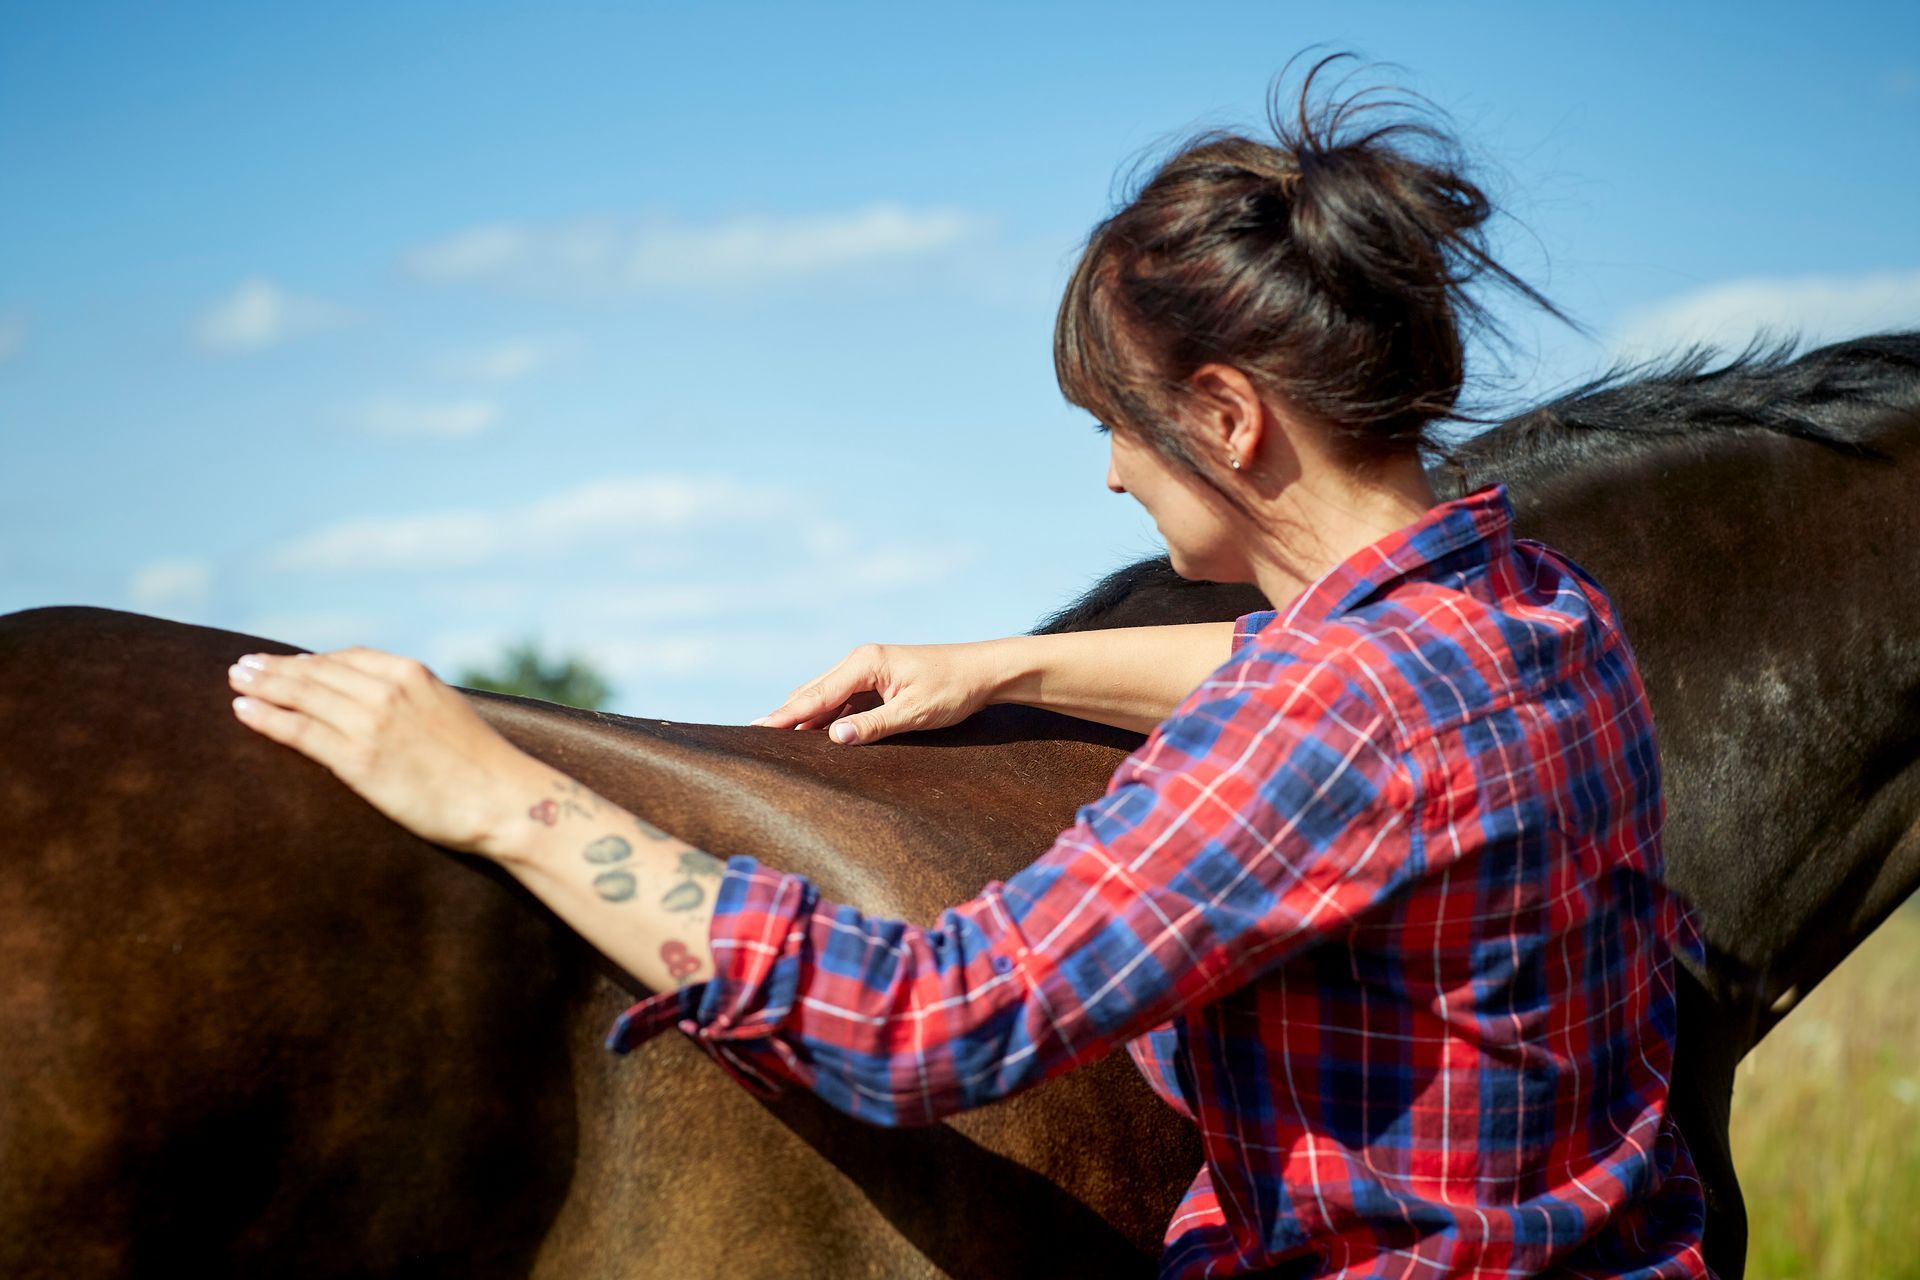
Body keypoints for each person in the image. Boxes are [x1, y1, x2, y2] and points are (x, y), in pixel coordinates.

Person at [226, 54, 1711, 1278]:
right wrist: (1008, 667)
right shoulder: (1537, 611)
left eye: (1118, 424)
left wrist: (503, 799)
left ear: (1226, 417)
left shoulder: (1324, 721)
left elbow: (931, 1022)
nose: (1114, 475)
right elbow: (1313, 671)